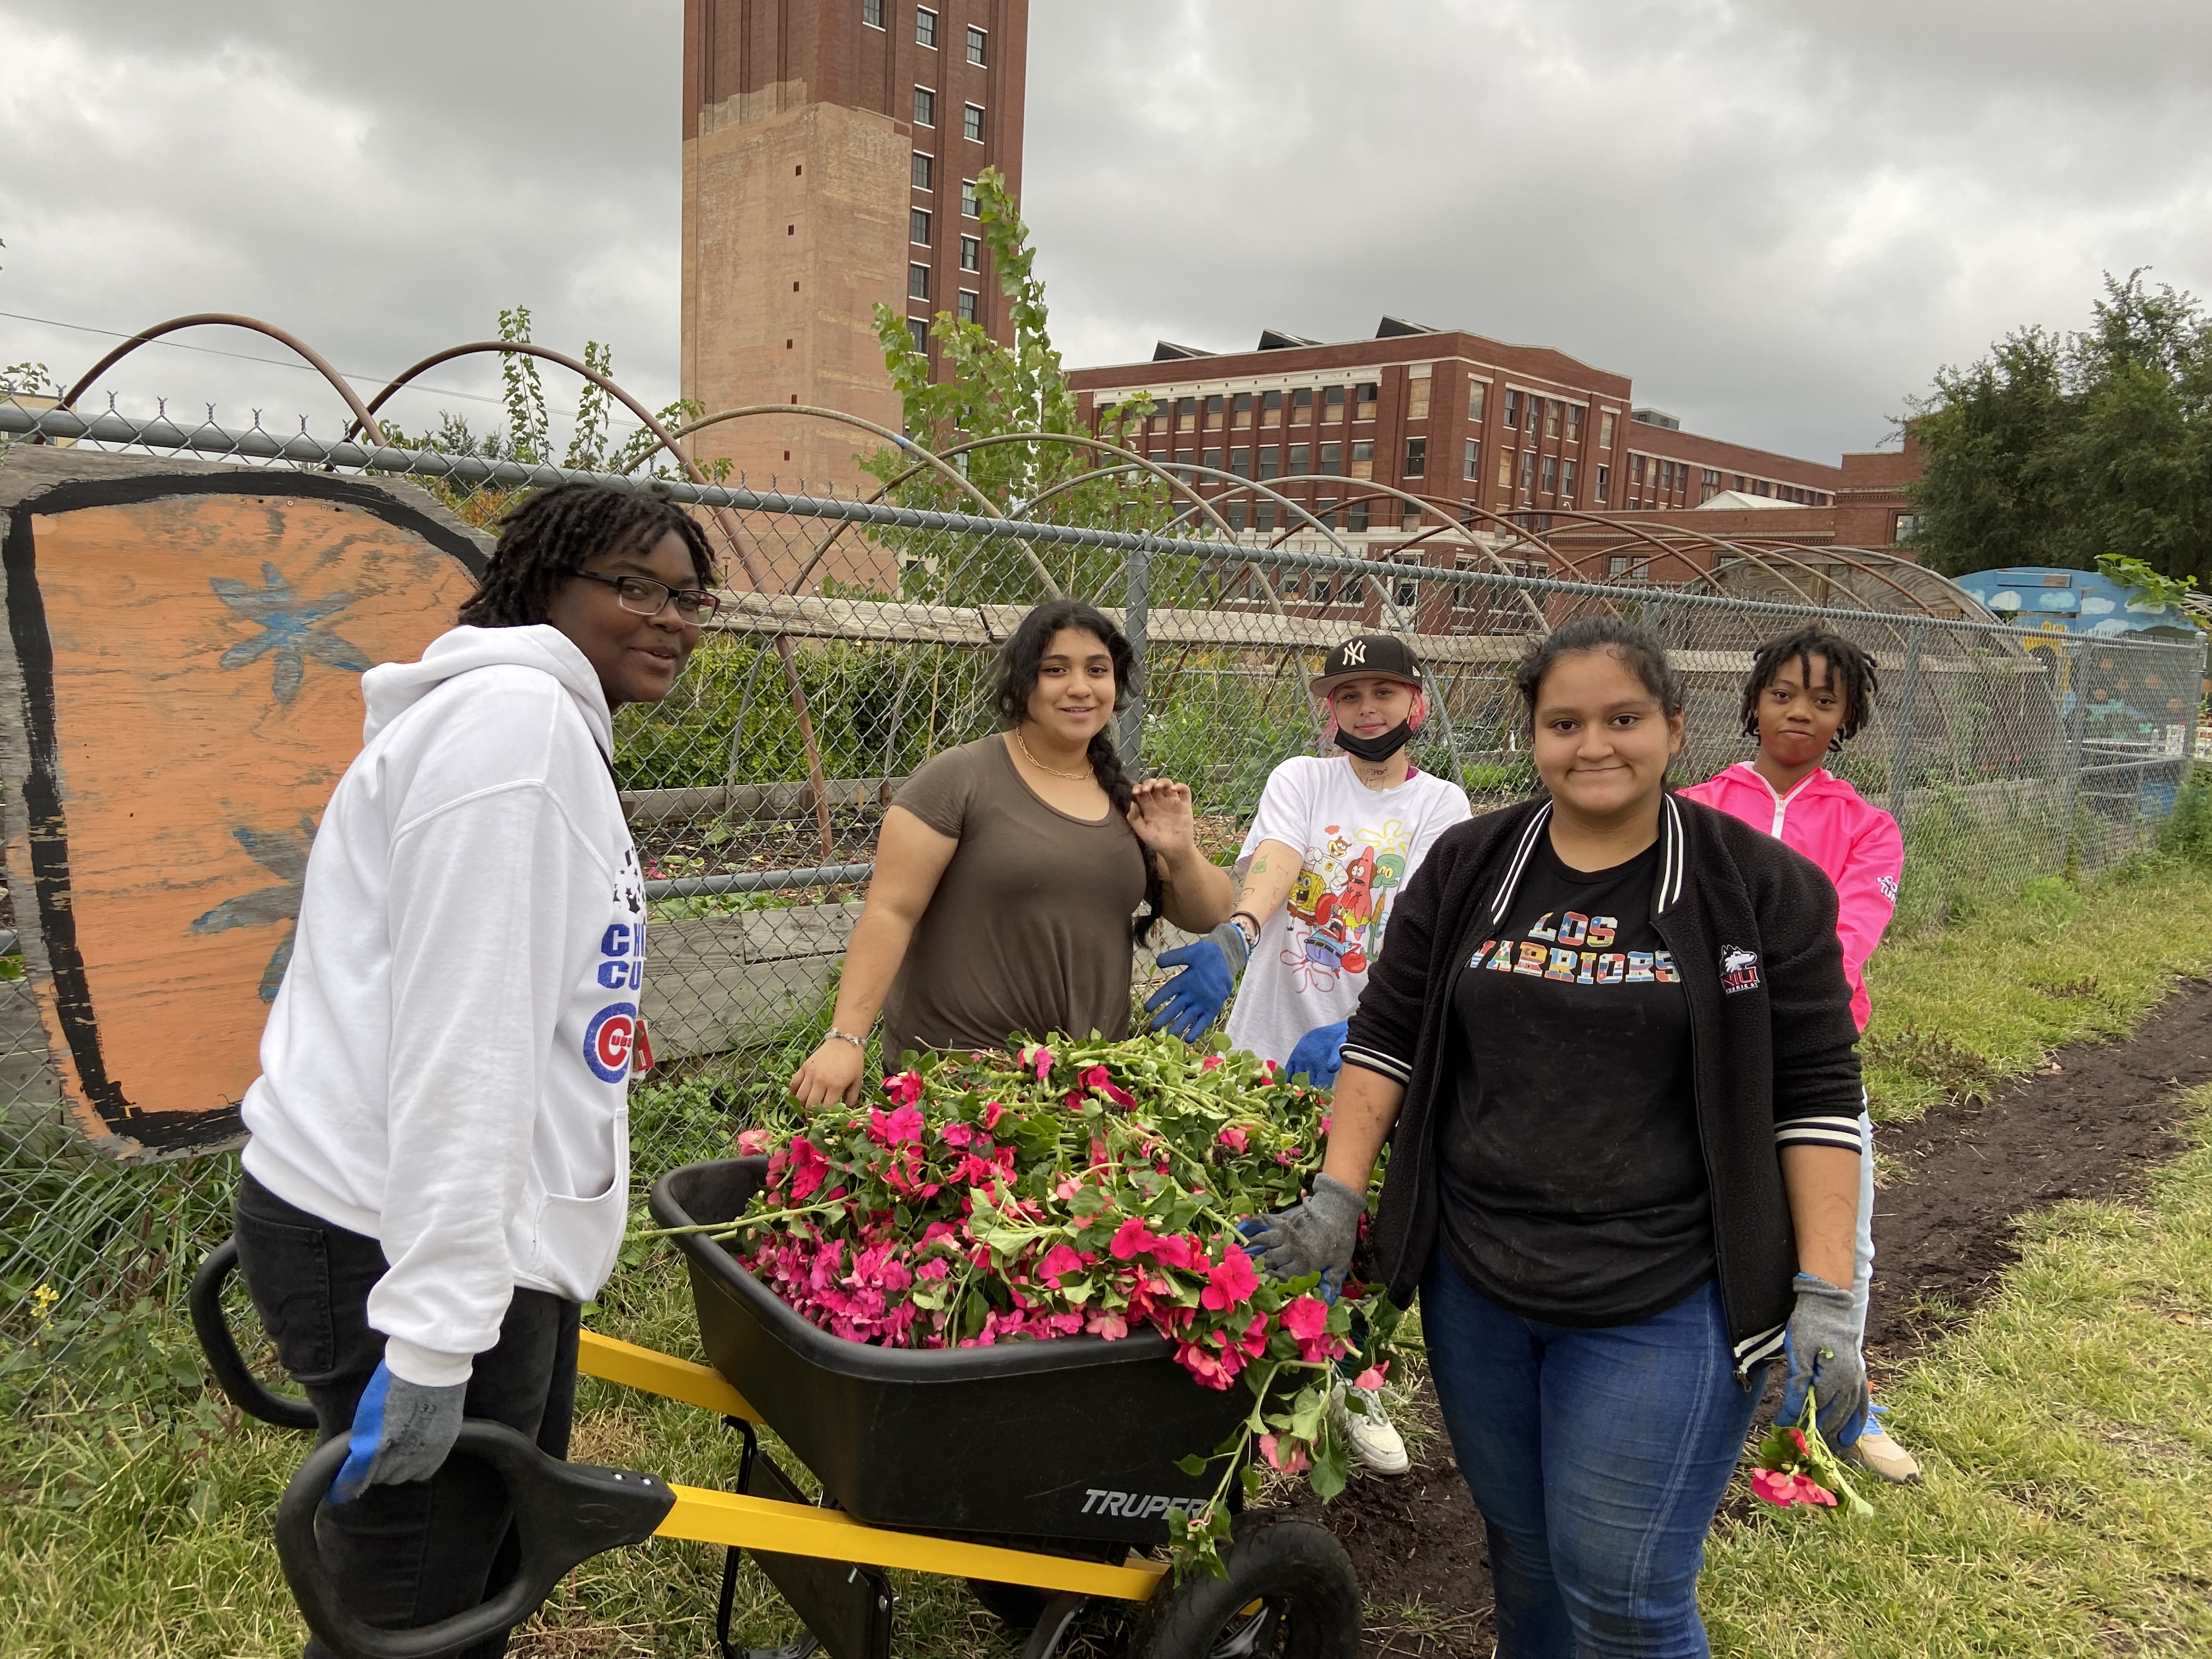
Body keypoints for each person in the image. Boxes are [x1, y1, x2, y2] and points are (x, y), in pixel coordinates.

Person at [1249, 617, 1867, 1658]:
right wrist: (1335, 1198)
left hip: (1671, 1287)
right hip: (1478, 1280)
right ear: (1531, 735)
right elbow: (1388, 1037)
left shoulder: (1756, 888)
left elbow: (1812, 1094)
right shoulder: (1472, 864)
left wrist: (1825, 1290)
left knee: (1624, 1592)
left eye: (1623, 719)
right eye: (1564, 721)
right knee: (1526, 1560)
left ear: (1673, 728)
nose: (1594, 745)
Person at [232, 481, 715, 1657]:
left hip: (468, 1230)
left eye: (689, 597)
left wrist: (588, 1026)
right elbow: (466, 1038)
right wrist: (438, 1337)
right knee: (413, 1608)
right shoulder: (519, 728)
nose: (669, 619)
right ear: (541, 586)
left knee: (480, 1574)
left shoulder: (533, 721)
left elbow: (496, 975)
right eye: (633, 588)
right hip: (402, 1234)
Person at [1146, 633, 1470, 1476]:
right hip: (1267, 1043)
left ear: (1417, 706)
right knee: (1250, 1209)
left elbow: (1425, 928)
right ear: (1330, 711)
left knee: (1356, 1222)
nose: (1368, 708)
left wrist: (1369, 1038)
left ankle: (1350, 1379)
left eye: (1385, 693)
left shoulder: (1442, 805)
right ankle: (1243, 1377)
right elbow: (1279, 865)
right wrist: (1239, 934)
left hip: (1365, 1059)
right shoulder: (1302, 779)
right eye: (1350, 694)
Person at [788, 598, 1232, 1105]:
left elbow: (1212, 913)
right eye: (1056, 670)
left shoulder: (1124, 799)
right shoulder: (960, 778)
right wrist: (846, 1039)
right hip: (958, 1083)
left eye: (1097, 670)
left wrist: (1179, 851)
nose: (1080, 687)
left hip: (1086, 1084)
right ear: (1023, 684)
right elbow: (891, 911)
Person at [1681, 624, 1920, 1485]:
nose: (1800, 713)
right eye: (1783, 694)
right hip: (1708, 1057)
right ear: (1753, 702)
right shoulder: (1697, 809)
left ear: (1847, 716)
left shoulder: (1870, 828)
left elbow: (1846, 942)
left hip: (1811, 1061)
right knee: (1701, 1228)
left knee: (1842, 1246)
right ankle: (1694, 1396)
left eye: (1824, 700)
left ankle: (1842, 1411)